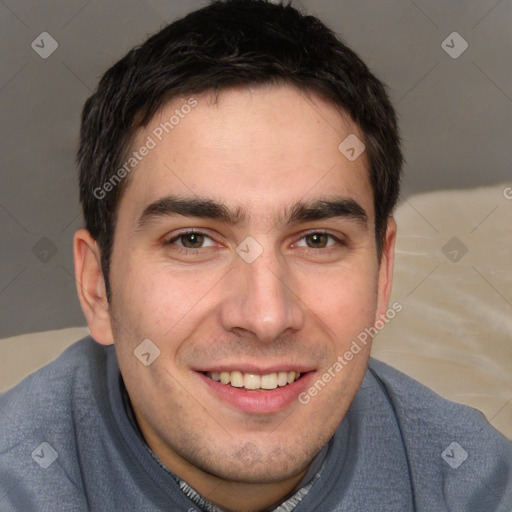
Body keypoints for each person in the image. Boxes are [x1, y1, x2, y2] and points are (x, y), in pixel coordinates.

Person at [1, 1, 511, 510]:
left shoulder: (470, 481)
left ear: (383, 276)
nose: (266, 316)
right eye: (193, 240)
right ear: (97, 289)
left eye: (317, 240)